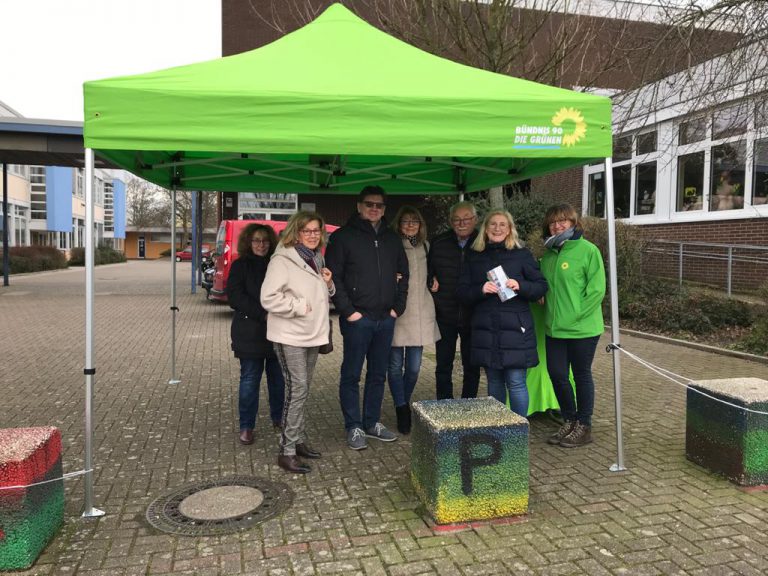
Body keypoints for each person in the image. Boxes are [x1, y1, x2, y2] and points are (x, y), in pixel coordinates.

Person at [325, 185, 409, 450]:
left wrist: (398, 308)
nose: (374, 209)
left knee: (377, 374)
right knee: (351, 374)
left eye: (379, 205)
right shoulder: (342, 238)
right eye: (369, 204)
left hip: (385, 319)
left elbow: (403, 274)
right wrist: (349, 312)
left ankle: (371, 422)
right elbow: (333, 276)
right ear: (359, 206)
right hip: (357, 320)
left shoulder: (392, 239)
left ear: (384, 210)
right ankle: (354, 426)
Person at [261, 211, 335, 474]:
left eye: (317, 230)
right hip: (290, 335)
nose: (313, 235)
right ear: (296, 232)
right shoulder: (282, 260)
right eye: (307, 231)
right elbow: (268, 298)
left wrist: (329, 284)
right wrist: (299, 306)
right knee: (297, 390)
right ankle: (287, 450)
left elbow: (321, 293)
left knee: (303, 390)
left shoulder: (316, 257)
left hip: (312, 335)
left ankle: (298, 440)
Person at [457, 210, 548, 417]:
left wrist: (521, 285)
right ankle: (499, 428)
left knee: (516, 382)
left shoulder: (521, 254)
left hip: (516, 328)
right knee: (494, 381)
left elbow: (541, 286)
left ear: (509, 230)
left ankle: (518, 429)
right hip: (486, 328)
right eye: (493, 225)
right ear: (485, 229)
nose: (497, 228)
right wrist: (480, 289)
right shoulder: (474, 255)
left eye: (502, 225)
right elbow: (461, 292)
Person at [539, 204, 606, 448]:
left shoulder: (588, 250)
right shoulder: (548, 255)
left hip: (582, 329)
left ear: (573, 222)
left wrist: (574, 316)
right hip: (554, 329)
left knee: (581, 375)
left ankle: (584, 425)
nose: (558, 226)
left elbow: (597, 290)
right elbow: (543, 286)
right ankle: (569, 419)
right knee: (557, 374)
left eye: (563, 221)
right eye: (553, 222)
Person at [227, 223, 285, 445]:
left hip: (277, 332)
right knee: (250, 380)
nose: (261, 244)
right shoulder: (240, 265)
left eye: (265, 240)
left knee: (278, 380)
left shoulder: (277, 265)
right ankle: (246, 425)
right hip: (249, 333)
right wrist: (264, 314)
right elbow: (235, 297)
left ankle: (279, 418)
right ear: (248, 243)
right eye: (256, 240)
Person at [388, 206, 440, 434]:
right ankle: (402, 408)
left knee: (414, 368)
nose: (410, 225)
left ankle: (403, 401)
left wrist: (434, 280)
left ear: (420, 225)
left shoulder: (426, 247)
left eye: (414, 221)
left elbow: (433, 272)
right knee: (394, 366)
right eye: (406, 221)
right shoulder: (392, 245)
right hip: (398, 311)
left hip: (421, 312)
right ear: (398, 224)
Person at [427, 201, 481, 400]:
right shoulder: (439, 242)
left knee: (472, 365)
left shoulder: (484, 243)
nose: (461, 223)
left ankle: (468, 405)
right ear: (450, 221)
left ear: (475, 220)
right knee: (443, 365)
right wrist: (430, 281)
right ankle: (444, 406)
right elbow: (428, 273)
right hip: (445, 314)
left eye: (466, 219)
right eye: (457, 219)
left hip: (474, 315)